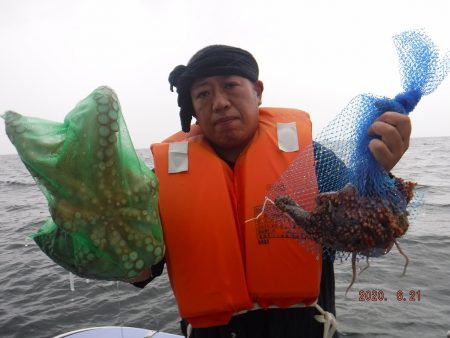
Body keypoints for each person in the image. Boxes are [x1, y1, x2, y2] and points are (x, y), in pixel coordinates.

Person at [132, 45, 411, 338]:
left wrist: (379, 176)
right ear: (193, 109)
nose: (220, 103)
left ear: (257, 91)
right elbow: (139, 271)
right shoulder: (161, 181)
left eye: (230, 86)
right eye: (203, 94)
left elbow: (376, 243)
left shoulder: (312, 160)